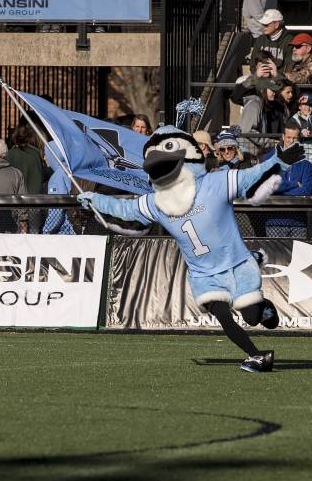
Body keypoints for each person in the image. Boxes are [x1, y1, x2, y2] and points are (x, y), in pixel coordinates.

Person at [79, 127, 298, 372]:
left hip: (236, 264)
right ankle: (256, 356)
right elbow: (125, 209)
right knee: (223, 315)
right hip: (204, 274)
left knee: (252, 317)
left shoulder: (216, 182)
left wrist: (280, 160)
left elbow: (252, 176)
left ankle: (263, 308)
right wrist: (94, 200)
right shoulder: (157, 203)